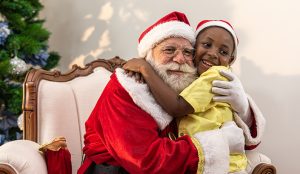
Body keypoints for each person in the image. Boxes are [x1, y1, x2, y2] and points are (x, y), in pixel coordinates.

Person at [78, 11, 265, 174]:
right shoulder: (127, 89)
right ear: (148, 55)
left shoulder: (189, 85)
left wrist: (243, 110)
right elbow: (145, 161)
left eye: (187, 52)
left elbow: (244, 144)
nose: (179, 59)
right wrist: (219, 143)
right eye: (169, 50)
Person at [123, 20, 249, 173]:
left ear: (230, 60)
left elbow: (177, 107)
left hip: (222, 164)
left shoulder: (215, 75)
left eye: (223, 52)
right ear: (195, 47)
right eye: (207, 45)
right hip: (206, 162)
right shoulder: (190, 76)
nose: (213, 54)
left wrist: (146, 69)